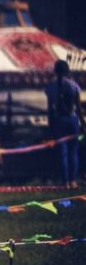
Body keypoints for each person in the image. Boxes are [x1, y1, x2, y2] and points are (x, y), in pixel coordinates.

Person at [45, 59, 83, 188]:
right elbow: (78, 108)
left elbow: (50, 109)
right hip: (72, 120)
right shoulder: (74, 86)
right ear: (67, 71)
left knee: (63, 152)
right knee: (73, 152)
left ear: (55, 71)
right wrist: (83, 124)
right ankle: (73, 180)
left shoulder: (50, 88)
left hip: (58, 120)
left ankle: (65, 181)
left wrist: (50, 127)